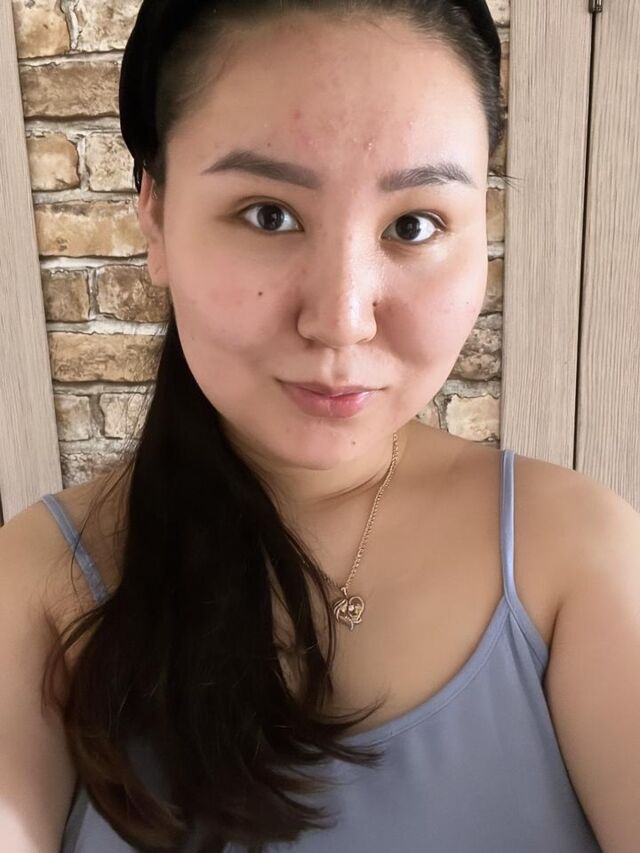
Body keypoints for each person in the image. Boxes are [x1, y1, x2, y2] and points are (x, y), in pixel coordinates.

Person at [1, 1, 639, 851]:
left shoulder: (578, 556)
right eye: (268, 214)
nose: (342, 321)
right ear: (153, 212)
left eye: (413, 225)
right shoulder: (40, 583)